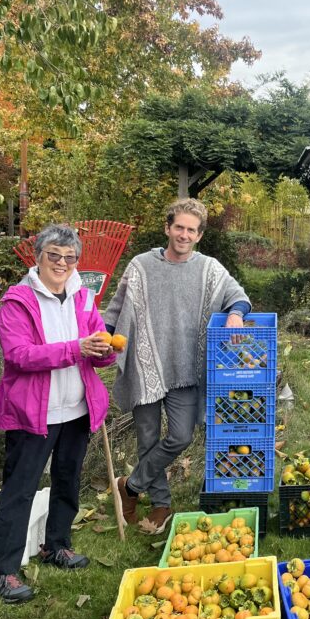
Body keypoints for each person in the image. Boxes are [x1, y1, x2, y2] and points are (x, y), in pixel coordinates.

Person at [104, 198, 251, 533]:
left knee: (182, 436)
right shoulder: (141, 266)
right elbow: (116, 309)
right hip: (145, 365)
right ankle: (160, 505)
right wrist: (101, 337)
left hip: (185, 369)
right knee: (148, 438)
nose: (184, 235)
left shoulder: (209, 269)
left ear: (199, 235)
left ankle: (130, 485)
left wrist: (236, 314)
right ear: (168, 228)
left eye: (191, 230)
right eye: (179, 227)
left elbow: (237, 294)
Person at [0, 224, 114, 603]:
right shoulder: (18, 301)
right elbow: (19, 356)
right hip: (34, 414)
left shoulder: (83, 297)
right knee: (19, 490)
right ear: (38, 257)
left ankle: (56, 544)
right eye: (54, 255)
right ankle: (2, 570)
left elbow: (97, 348)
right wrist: (77, 348)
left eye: (70, 257)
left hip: (76, 409)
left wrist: (105, 350)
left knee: (67, 481)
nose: (62, 263)